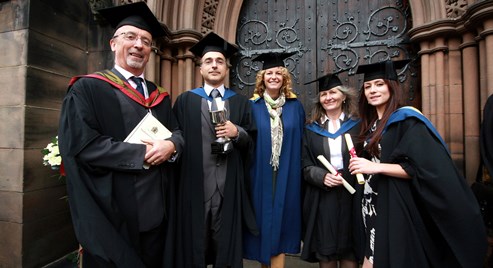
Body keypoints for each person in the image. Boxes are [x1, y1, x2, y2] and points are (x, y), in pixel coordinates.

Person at [57, 2, 183, 267]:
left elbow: (178, 132)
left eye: (146, 41)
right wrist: (143, 154)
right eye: (131, 37)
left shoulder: (159, 96)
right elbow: (82, 145)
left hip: (157, 214)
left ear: (150, 51)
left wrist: (172, 145)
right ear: (113, 43)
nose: (139, 44)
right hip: (112, 214)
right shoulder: (88, 89)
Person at [349, 59, 488, 268]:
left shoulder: (407, 120)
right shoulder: (370, 126)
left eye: (379, 84)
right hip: (372, 203)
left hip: (396, 205)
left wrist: (374, 167)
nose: (372, 90)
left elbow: (424, 168)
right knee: (371, 257)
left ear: (392, 86)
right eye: (368, 86)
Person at [172, 32, 258, 268]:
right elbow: (176, 139)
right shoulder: (185, 101)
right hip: (194, 185)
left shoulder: (241, 102)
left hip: (228, 186)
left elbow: (252, 142)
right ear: (200, 68)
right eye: (208, 61)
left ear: (226, 68)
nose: (214, 65)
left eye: (219, 61)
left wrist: (237, 132)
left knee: (225, 246)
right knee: (195, 245)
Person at [243, 52, 306, 268]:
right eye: (269, 73)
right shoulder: (253, 106)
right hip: (260, 173)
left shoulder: (295, 106)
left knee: (282, 221)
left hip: (286, 173)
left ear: (284, 77)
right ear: (262, 77)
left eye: (278, 73)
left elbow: (301, 141)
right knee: (263, 222)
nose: (273, 76)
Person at [300, 72, 360, 268]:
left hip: (352, 194)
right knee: (326, 250)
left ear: (343, 96)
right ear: (319, 100)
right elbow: (305, 164)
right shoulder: (310, 129)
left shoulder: (357, 126)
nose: (329, 97)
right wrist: (322, 176)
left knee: (350, 247)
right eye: (324, 94)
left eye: (333, 92)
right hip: (323, 197)